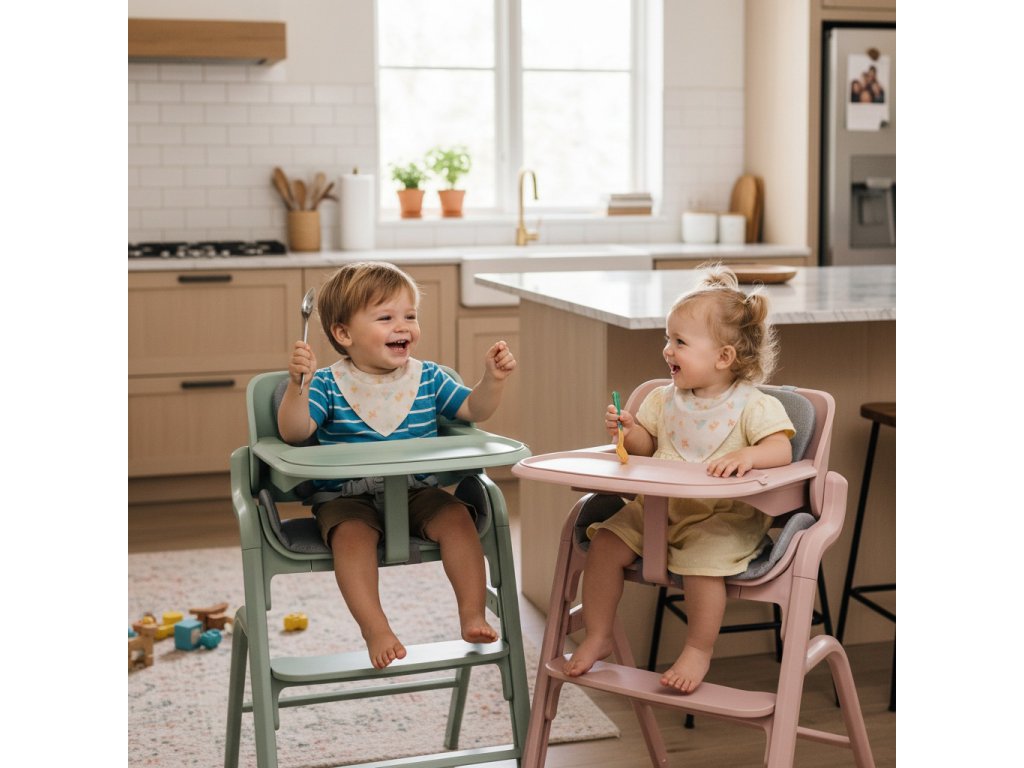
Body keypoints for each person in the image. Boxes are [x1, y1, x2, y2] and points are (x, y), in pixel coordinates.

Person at [564, 265, 795, 694]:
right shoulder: (662, 399)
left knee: (702, 566)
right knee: (605, 544)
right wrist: (628, 431)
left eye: (680, 342)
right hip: (656, 510)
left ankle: (698, 649)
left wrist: (748, 455)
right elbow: (646, 448)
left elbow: (781, 450)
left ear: (723, 357)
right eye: (667, 339)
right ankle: (598, 634)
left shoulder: (753, 405)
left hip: (721, 518)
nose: (667, 350)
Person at [277, 261, 517, 669]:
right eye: (386, 318)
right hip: (347, 499)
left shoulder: (429, 378)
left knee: (458, 520)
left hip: (417, 490)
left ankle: (472, 613)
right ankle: (375, 628)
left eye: (410, 316)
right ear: (344, 334)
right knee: (350, 538)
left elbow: (472, 410)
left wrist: (492, 380)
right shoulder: (328, 385)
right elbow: (295, 432)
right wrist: (297, 386)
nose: (402, 326)